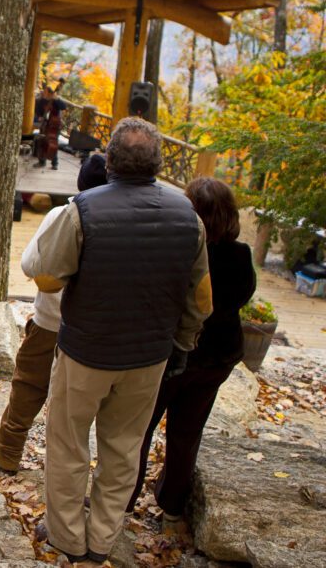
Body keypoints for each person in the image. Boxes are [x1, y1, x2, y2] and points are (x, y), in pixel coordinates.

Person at [32, 118, 212, 566]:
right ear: (157, 164)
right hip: (149, 357)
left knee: (69, 444)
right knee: (124, 448)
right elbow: (201, 299)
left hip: (86, 354)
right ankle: (102, 539)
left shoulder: (83, 210)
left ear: (109, 159)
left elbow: (48, 279)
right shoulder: (188, 219)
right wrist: (183, 344)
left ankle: (67, 536)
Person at [127, 177, 256, 525]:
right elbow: (241, 298)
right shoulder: (241, 255)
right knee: (186, 432)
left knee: (141, 427)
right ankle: (171, 503)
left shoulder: (182, 250)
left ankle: (123, 499)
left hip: (175, 354)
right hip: (220, 355)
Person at [0, 154, 108, 472]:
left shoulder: (62, 215)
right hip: (96, 327)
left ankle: (8, 448)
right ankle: (67, 464)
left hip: (51, 319)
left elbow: (28, 264)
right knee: (81, 399)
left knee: (29, 384)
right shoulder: (121, 222)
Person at [34, 86, 64, 170]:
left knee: (53, 143)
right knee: (42, 142)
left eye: (46, 92)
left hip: (53, 126)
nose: (44, 93)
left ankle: (55, 163)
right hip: (44, 125)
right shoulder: (41, 100)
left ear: (50, 93)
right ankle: (41, 161)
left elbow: (63, 107)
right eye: (44, 92)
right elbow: (37, 111)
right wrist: (40, 116)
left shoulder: (55, 101)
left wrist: (57, 99)